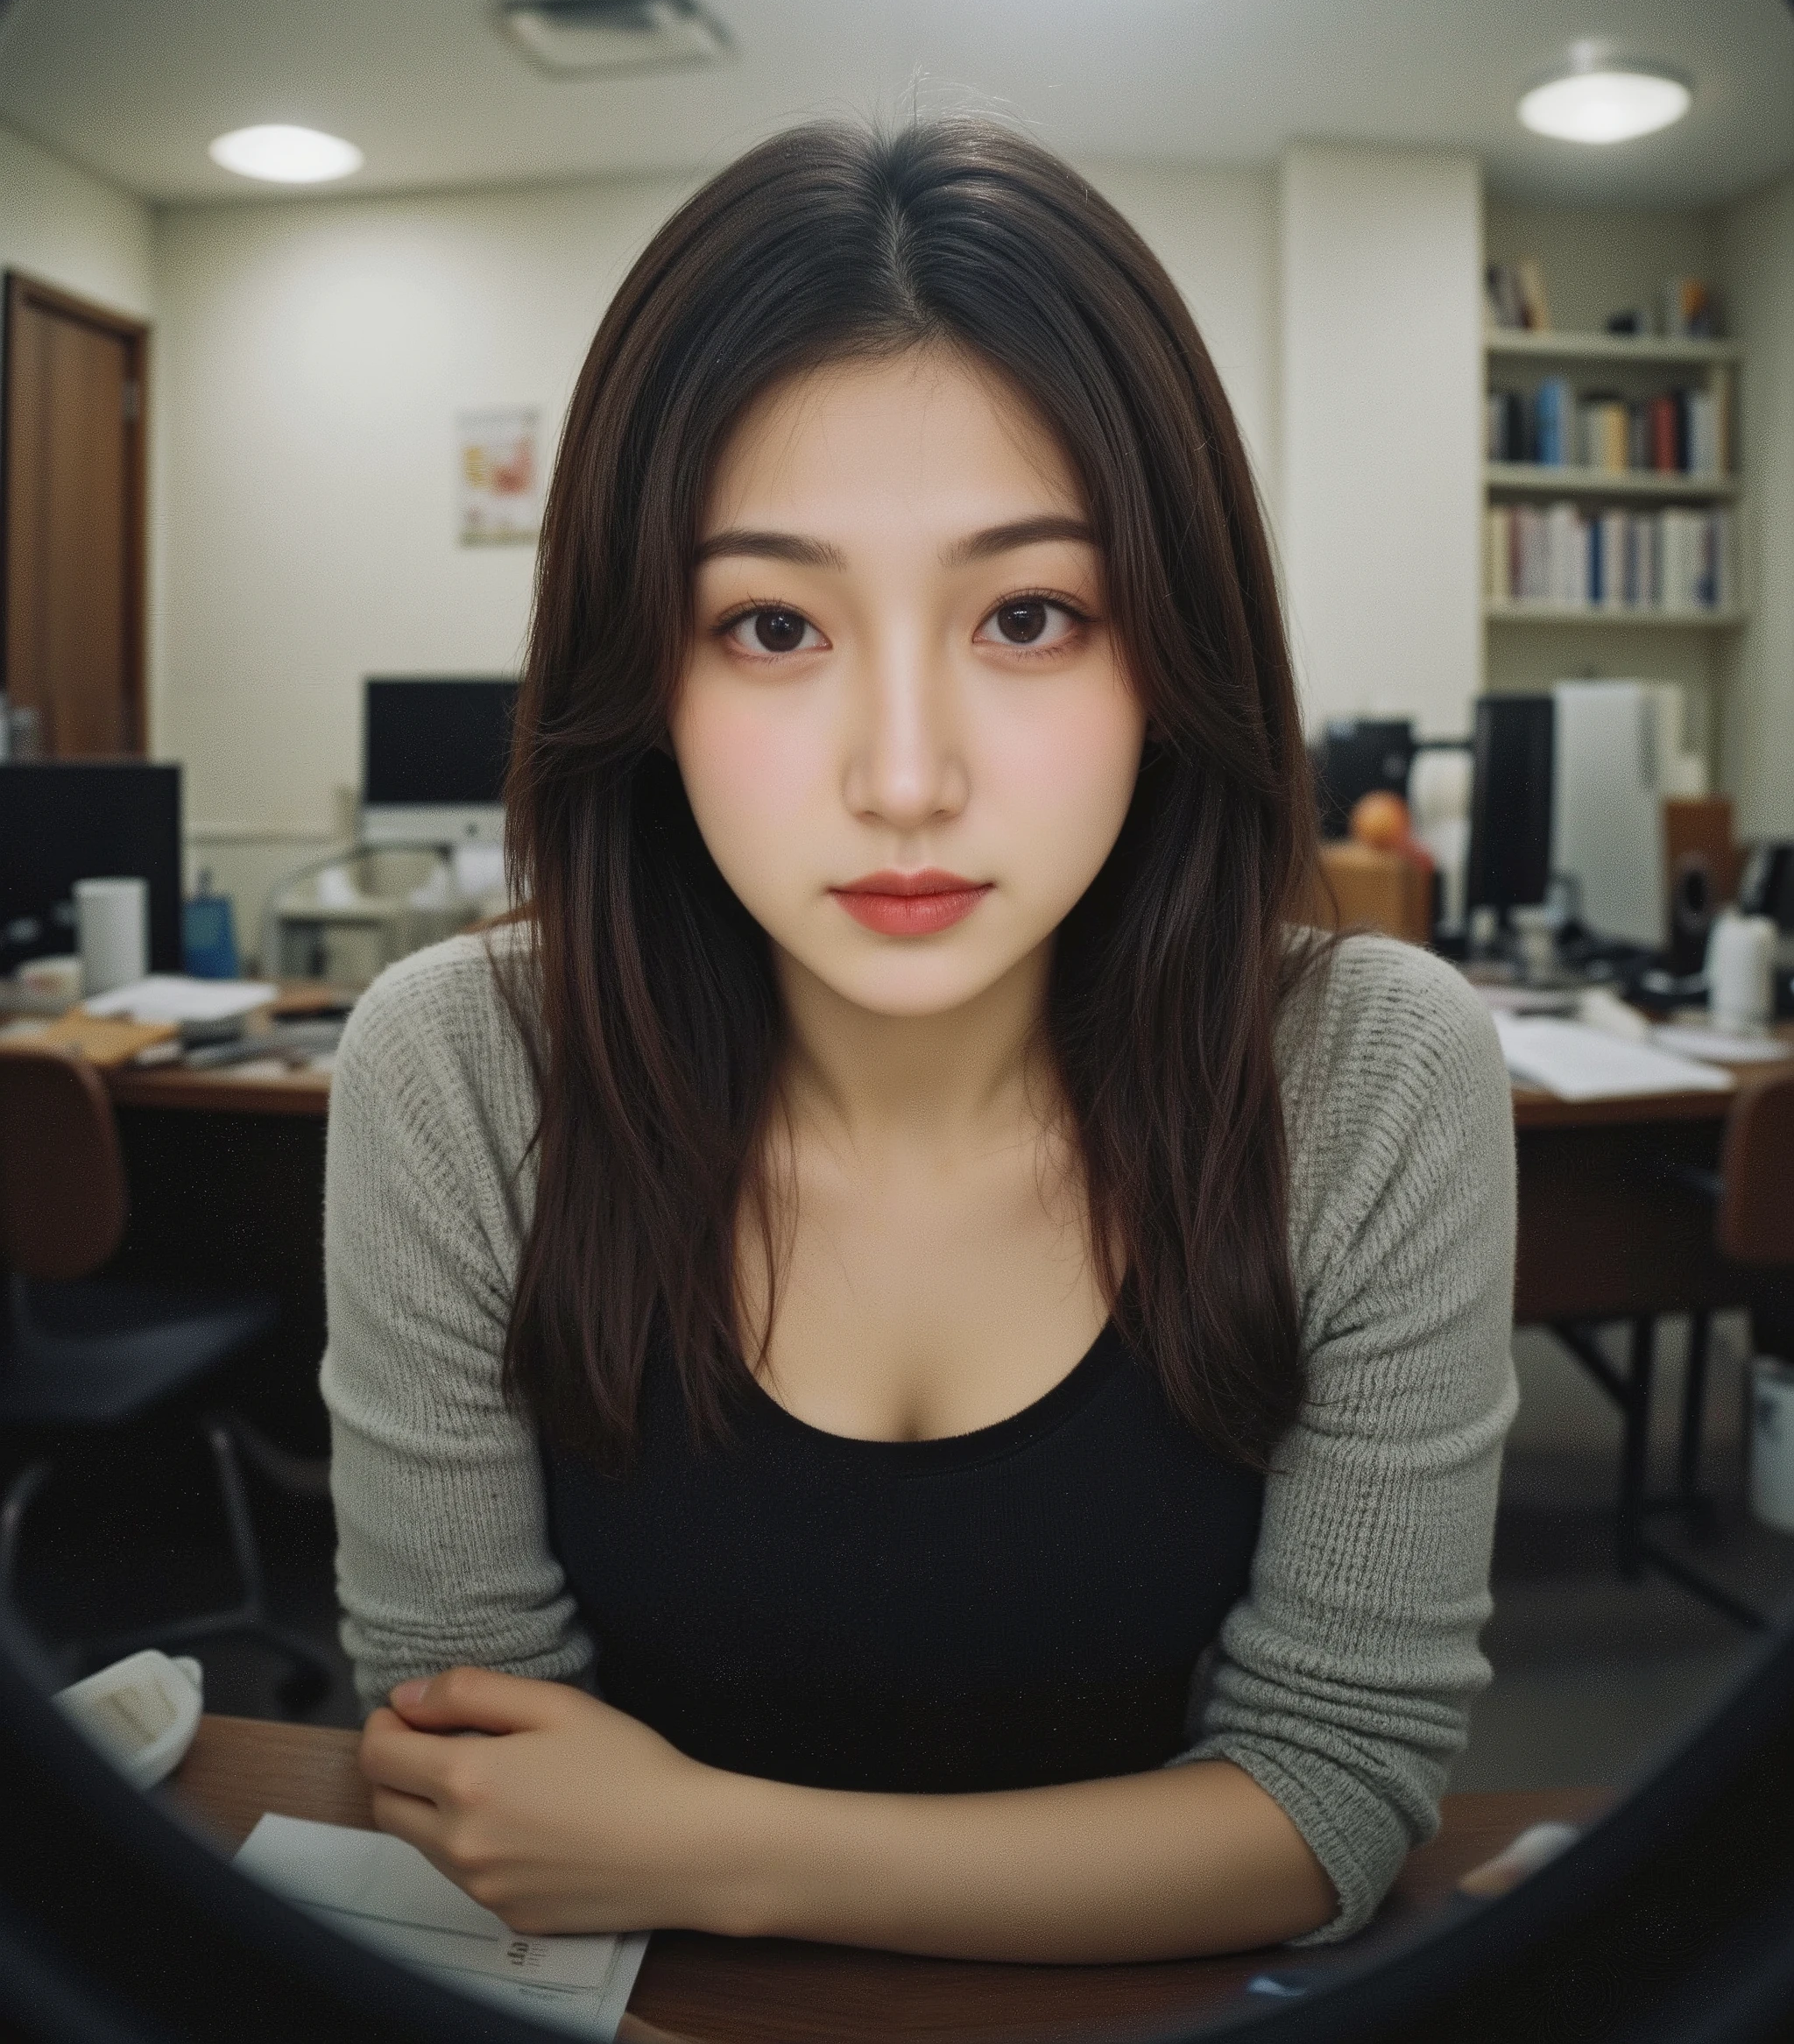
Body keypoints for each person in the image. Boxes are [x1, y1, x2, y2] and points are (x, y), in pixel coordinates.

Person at [323, 119, 1516, 1963]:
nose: (900, 779)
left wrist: (705, 1844)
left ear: (1172, 648)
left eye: (1029, 616)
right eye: (773, 624)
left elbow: (1334, 1790)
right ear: (641, 670)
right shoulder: (464, 1071)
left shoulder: (1366, 1078)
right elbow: (476, 1775)